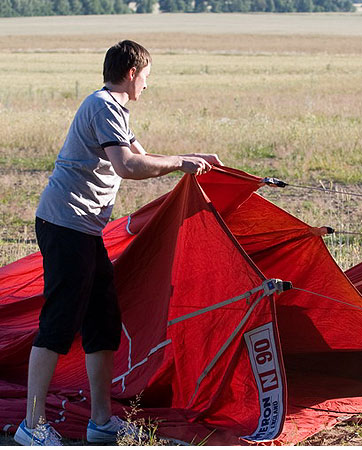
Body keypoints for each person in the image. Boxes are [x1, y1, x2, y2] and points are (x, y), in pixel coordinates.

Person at [14, 40, 222, 446]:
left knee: (102, 323)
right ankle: (31, 425)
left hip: (84, 231)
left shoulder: (115, 110)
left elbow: (142, 156)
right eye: (146, 77)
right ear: (132, 73)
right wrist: (181, 162)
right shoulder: (104, 105)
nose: (147, 84)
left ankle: (101, 422)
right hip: (65, 225)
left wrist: (188, 157)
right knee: (58, 323)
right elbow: (129, 167)